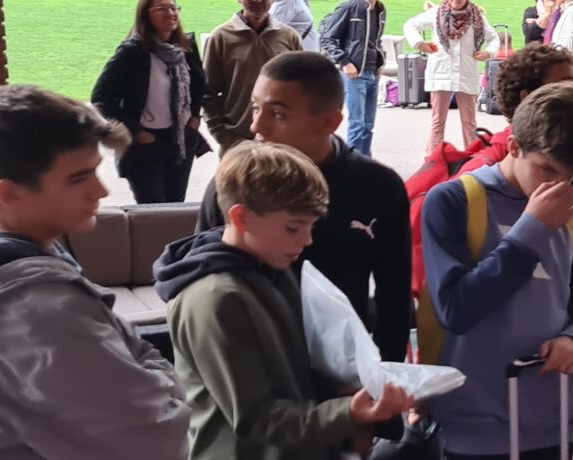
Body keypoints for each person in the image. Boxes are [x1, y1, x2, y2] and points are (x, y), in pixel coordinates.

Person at [0, 85, 189, 460]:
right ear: (10, 193)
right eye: (79, 178)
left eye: (96, 171)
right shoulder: (40, 312)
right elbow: (156, 439)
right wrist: (163, 376)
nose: (101, 191)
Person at [159, 141, 415, 459]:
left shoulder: (275, 270)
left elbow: (295, 374)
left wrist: (347, 397)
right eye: (294, 228)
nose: (307, 241)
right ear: (242, 218)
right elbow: (256, 420)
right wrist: (347, 412)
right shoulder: (215, 300)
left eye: (311, 227)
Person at [418, 81, 573, 459]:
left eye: (570, 177)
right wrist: (531, 230)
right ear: (515, 147)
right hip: (471, 424)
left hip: (553, 419)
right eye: (547, 170)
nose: (557, 186)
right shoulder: (454, 201)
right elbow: (456, 309)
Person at [194, 51, 414, 364]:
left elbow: (394, 291)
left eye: (277, 114)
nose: (256, 125)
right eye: (255, 108)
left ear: (329, 122)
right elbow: (201, 276)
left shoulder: (378, 186)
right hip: (257, 367)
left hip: (345, 367)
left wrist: (386, 370)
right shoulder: (232, 184)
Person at [91, 0, 210, 204]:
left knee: (176, 206)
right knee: (151, 209)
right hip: (147, 144)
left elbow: (198, 84)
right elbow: (101, 97)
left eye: (174, 8)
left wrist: (194, 118)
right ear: (145, 14)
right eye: (162, 8)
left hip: (180, 139)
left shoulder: (185, 47)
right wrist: (136, 131)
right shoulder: (132, 52)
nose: (171, 13)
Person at [204, 0, 303, 153]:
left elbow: (301, 87)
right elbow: (207, 90)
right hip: (236, 137)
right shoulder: (221, 37)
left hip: (281, 137)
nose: (257, 1)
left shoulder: (289, 36)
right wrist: (220, 133)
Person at [405, 0, 498, 154]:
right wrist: (419, 43)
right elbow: (410, 25)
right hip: (441, 74)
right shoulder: (436, 13)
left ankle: (473, 159)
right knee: (437, 121)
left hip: (465, 75)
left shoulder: (477, 16)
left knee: (469, 123)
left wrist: (488, 53)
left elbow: (494, 38)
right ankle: (433, 160)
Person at [321, 0, 389, 157]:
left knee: (368, 125)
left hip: (373, 72)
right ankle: (351, 165)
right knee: (357, 124)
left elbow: (375, 41)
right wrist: (345, 62)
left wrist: (380, 62)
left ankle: (365, 163)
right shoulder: (350, 7)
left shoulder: (380, 9)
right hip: (355, 74)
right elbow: (327, 38)